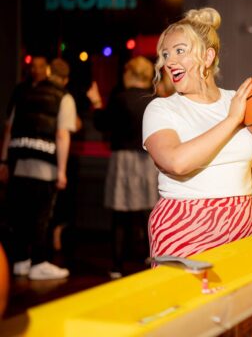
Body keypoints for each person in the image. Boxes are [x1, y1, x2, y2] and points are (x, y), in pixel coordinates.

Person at [142, 7, 252, 259]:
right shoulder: (161, 108)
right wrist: (232, 120)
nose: (169, 62)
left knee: (241, 299)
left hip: (243, 219)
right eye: (165, 54)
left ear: (208, 56)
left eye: (179, 51)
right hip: (186, 223)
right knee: (187, 299)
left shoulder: (241, 101)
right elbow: (177, 163)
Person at [0, 58, 77, 280]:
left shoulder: (22, 93)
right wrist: (62, 171)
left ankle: (21, 261)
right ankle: (39, 262)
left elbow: (8, 129)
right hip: (45, 164)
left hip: (20, 162)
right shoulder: (64, 97)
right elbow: (62, 135)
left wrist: (4, 162)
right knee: (42, 216)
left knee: (20, 215)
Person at [88, 56, 158, 279]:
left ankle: (117, 266)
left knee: (120, 214)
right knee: (150, 212)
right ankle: (153, 257)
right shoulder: (154, 100)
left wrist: (97, 103)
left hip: (123, 160)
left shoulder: (119, 99)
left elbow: (102, 124)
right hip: (149, 160)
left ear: (129, 73)